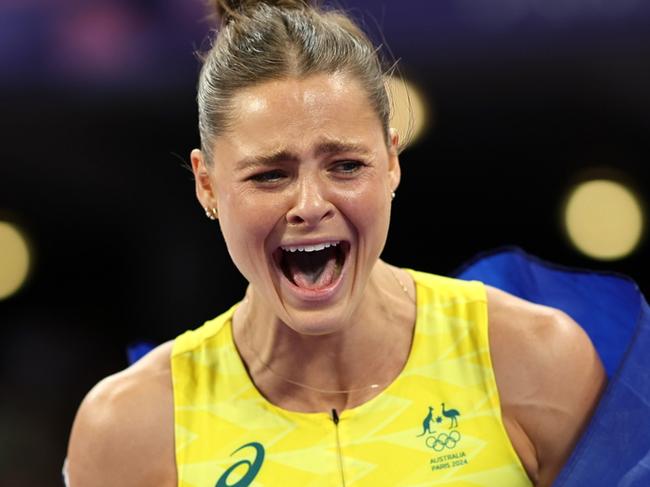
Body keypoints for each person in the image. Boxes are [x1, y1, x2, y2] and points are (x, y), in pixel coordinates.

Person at [65, 1, 606, 486]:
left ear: (392, 161)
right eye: (269, 175)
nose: (310, 204)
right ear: (207, 184)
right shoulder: (132, 429)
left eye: (346, 165)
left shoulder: (534, 363)